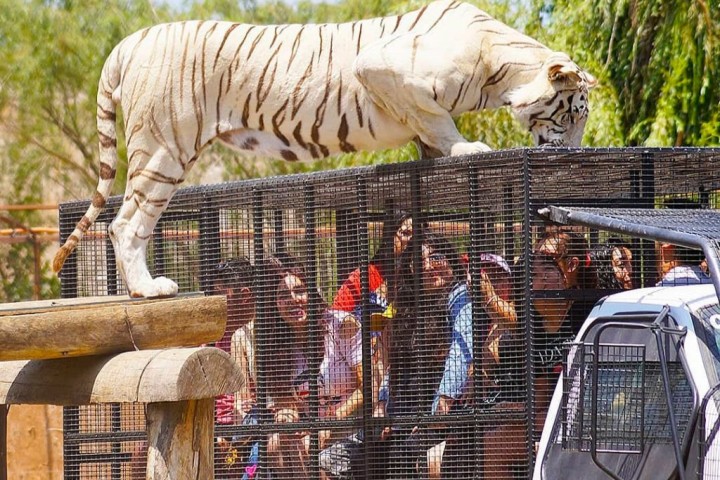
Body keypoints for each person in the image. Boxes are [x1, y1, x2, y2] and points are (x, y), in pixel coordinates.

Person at [319, 211, 414, 480]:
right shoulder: (367, 276)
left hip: (397, 374)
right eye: (405, 233)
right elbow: (337, 316)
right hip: (359, 367)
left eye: (416, 236)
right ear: (390, 236)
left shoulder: (423, 279)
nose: (410, 242)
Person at [531, 229, 594, 438]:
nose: (538, 264)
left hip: (586, 418)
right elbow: (541, 395)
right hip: (550, 419)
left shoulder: (588, 311)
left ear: (572, 265)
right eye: (536, 258)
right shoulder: (536, 320)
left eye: (547, 259)